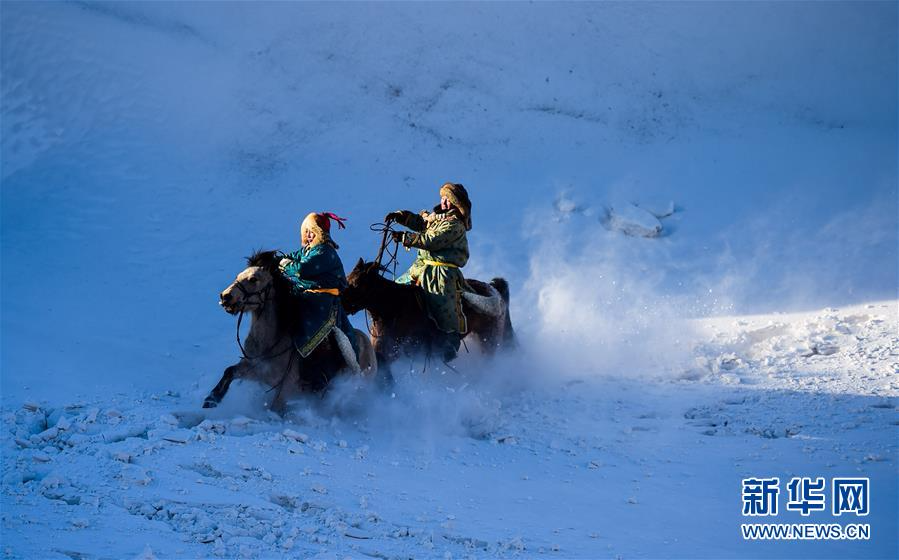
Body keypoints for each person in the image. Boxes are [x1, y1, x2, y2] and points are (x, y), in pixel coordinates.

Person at [385, 182, 472, 362]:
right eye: (443, 198)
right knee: (396, 290)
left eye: (449, 200)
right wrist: (401, 217)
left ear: (457, 204)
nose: (444, 202)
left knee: (442, 306)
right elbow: (421, 223)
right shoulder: (436, 218)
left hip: (441, 273)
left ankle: (449, 342)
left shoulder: (455, 225)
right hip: (421, 267)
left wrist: (405, 237)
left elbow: (432, 240)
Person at [279, 212, 356, 360]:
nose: (308, 234)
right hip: (307, 295)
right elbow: (288, 258)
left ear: (319, 232)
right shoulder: (307, 251)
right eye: (306, 231)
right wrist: (276, 261)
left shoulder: (324, 251)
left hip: (323, 300)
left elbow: (303, 270)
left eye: (311, 231)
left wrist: (285, 265)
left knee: (307, 325)